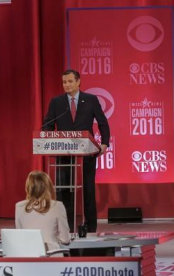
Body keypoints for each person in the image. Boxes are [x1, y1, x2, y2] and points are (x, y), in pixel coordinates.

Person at [42, 69, 110, 233]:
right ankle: (67, 226)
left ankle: (90, 227)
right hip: (64, 155)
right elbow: (48, 125)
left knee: (88, 189)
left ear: (78, 82)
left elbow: (103, 123)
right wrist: (47, 138)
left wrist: (105, 143)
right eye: (64, 82)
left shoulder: (91, 100)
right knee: (65, 190)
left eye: (70, 81)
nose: (67, 85)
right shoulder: (56, 102)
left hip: (86, 154)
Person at [15, 171, 71, 255]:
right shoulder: (57, 206)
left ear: (28, 187)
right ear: (48, 186)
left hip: (27, 256)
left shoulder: (19, 206)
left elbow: (19, 237)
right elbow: (65, 239)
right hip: (52, 256)